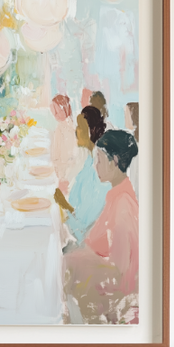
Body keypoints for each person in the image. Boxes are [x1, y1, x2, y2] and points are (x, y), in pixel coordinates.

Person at [63, 129, 139, 322]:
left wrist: (73, 261)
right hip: (99, 274)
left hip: (112, 292)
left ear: (114, 161)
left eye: (99, 160)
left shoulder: (123, 206)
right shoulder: (116, 195)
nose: (95, 165)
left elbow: (121, 275)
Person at [63, 104, 108, 245]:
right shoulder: (89, 159)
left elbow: (83, 229)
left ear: (91, 131)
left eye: (80, 127)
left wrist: (63, 205)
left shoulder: (98, 168)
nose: (76, 131)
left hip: (87, 245)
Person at [49, 93, 78, 190]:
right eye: (53, 113)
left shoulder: (73, 126)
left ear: (64, 108)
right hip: (63, 171)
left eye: (57, 112)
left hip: (71, 170)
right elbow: (55, 155)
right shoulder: (60, 128)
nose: (55, 116)